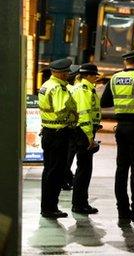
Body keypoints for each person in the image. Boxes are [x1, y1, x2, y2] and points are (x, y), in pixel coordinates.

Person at [101, 50, 134, 221]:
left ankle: (122, 210)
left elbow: (105, 102)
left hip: (122, 128)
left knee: (122, 168)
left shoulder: (115, 78)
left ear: (125, 63)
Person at [38, 58, 78, 218]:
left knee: (48, 171)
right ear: (61, 73)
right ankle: (50, 208)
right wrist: (73, 115)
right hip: (58, 134)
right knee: (55, 173)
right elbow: (61, 109)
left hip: (48, 132)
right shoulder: (58, 88)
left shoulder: (46, 85)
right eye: (67, 72)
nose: (68, 74)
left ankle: (47, 206)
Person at [70, 63, 101, 214]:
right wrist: (89, 137)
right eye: (94, 75)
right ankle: (79, 204)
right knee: (84, 169)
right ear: (87, 76)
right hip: (83, 132)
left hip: (82, 132)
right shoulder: (83, 90)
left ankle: (81, 202)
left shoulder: (83, 87)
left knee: (83, 169)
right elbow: (84, 114)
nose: (96, 77)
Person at [63, 64, 81, 191]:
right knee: (68, 157)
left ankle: (67, 178)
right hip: (72, 128)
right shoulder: (72, 90)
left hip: (66, 127)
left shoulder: (66, 88)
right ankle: (65, 180)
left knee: (66, 156)